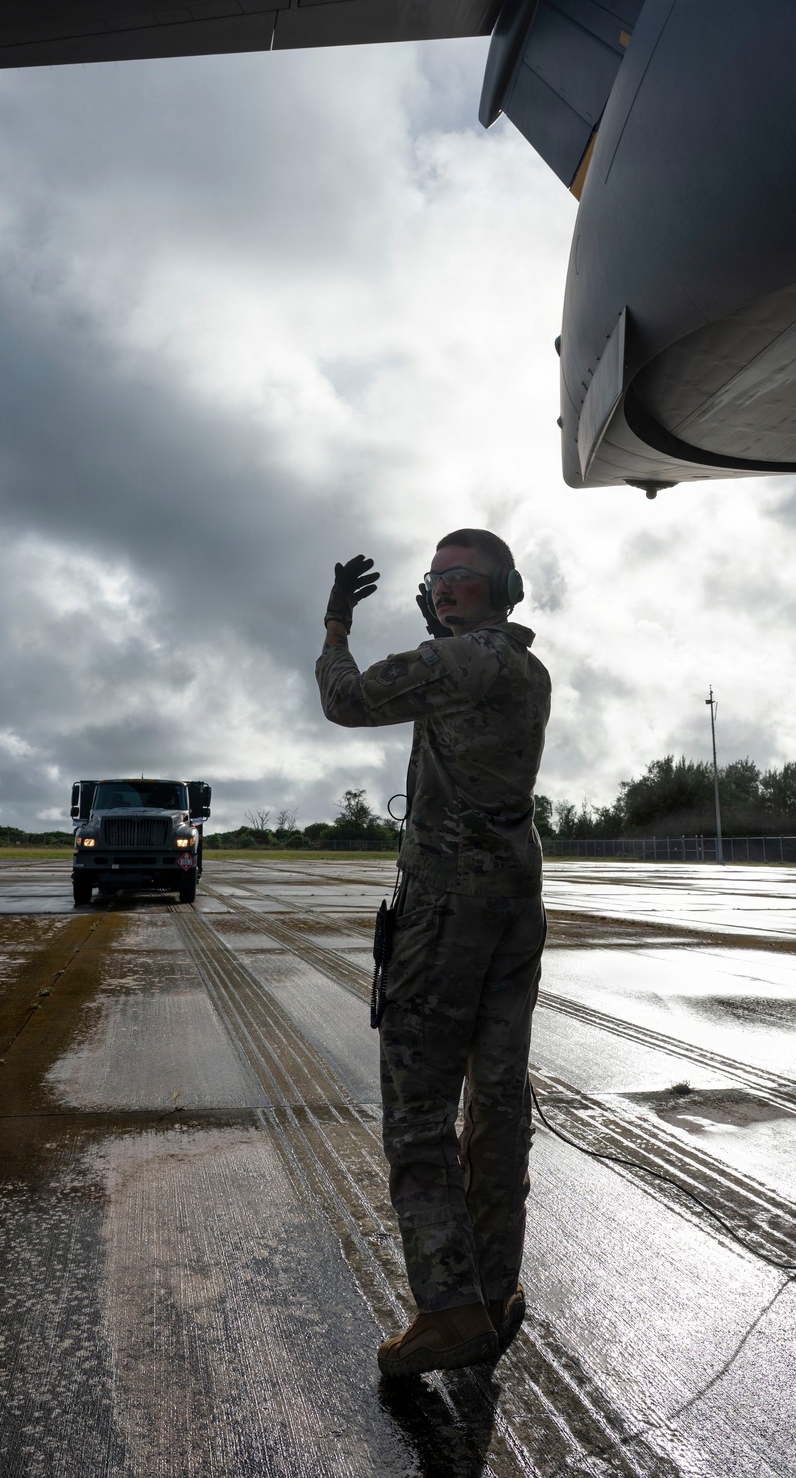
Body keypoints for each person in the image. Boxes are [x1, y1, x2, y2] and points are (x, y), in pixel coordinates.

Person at [316, 528, 551, 1378]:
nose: (446, 588)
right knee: (496, 1103)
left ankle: (449, 1308)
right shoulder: (527, 669)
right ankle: (494, 1292)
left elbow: (345, 701)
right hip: (514, 905)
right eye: (438, 577)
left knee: (418, 1113)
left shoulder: (455, 664)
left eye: (464, 577)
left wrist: (337, 625)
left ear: (503, 587)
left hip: (446, 911)